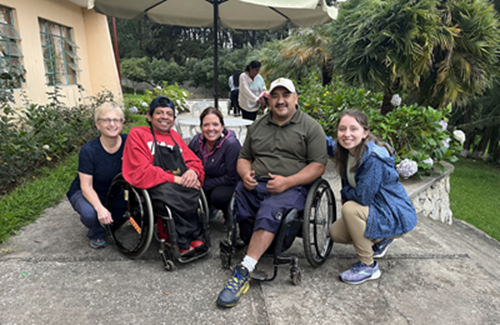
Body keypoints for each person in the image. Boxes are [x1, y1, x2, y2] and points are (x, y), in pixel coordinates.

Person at [216, 78, 328, 308]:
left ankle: (244, 270)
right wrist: (246, 173)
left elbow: (318, 166)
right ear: (269, 100)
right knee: (237, 202)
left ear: (295, 98)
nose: (280, 101)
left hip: (291, 186)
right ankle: (256, 244)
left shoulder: (310, 127)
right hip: (256, 183)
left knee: (270, 209)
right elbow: (244, 158)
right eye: (275, 96)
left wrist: (288, 182)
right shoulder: (258, 125)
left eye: (285, 95)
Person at [326, 109, 417, 285]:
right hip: (377, 209)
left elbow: (363, 198)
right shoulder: (346, 151)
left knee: (350, 209)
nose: (347, 134)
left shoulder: (373, 158)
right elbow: (327, 144)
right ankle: (382, 239)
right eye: (342, 129)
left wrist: (345, 194)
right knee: (335, 233)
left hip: (392, 212)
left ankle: (368, 266)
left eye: (353, 129)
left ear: (365, 133)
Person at [122, 96, 206, 256]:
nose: (165, 117)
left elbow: (193, 160)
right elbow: (141, 170)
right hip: (153, 184)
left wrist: (193, 171)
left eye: (169, 114)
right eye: (159, 113)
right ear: (149, 116)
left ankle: (191, 236)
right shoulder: (138, 134)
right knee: (172, 194)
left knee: (193, 190)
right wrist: (176, 179)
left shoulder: (175, 137)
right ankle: (180, 241)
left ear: (174, 119)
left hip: (178, 182)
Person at [67, 102, 127, 249]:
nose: (112, 124)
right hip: (88, 190)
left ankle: (110, 215)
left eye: (116, 120)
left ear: (122, 123)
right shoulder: (89, 150)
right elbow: (85, 186)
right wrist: (99, 208)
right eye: (106, 120)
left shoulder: (129, 142)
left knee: (119, 216)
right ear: (97, 124)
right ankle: (95, 232)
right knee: (90, 214)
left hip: (115, 190)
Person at [188, 107, 242, 229]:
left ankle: (230, 215)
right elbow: (187, 161)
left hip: (228, 183)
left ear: (222, 126)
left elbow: (231, 177)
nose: (211, 129)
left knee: (219, 196)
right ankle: (208, 209)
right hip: (205, 181)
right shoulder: (196, 141)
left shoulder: (231, 144)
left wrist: (203, 184)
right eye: (206, 125)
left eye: (215, 124)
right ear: (201, 127)